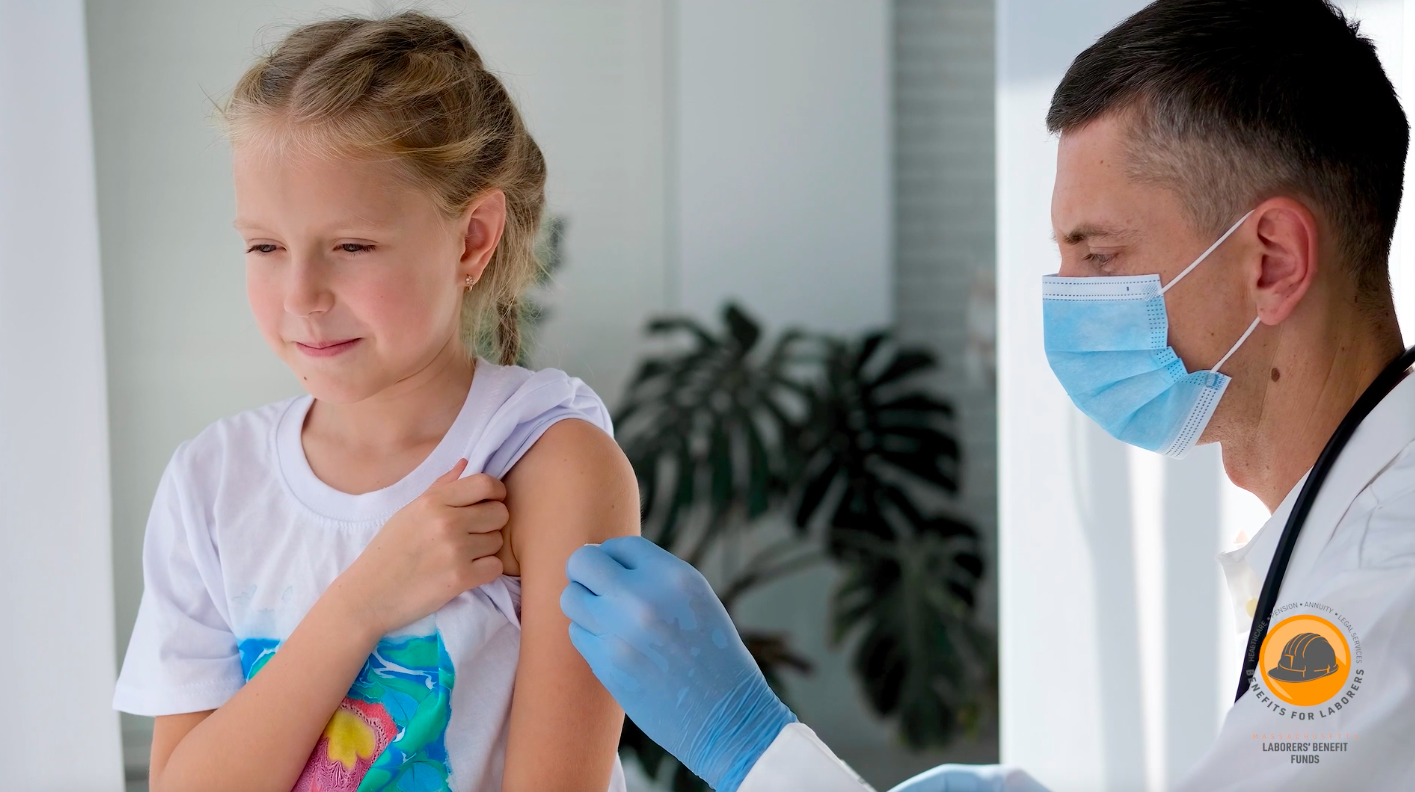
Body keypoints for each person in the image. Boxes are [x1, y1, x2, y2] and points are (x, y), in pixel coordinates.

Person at [559, 1, 1415, 789]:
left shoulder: (1382, 593)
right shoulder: (1359, 527)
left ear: (1270, 261)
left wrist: (749, 747)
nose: (1064, 295)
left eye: (1099, 256)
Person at [110, 12, 638, 792]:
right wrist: (364, 602)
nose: (301, 297)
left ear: (471, 240)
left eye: (351, 246)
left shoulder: (547, 465)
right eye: (264, 246)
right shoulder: (212, 483)